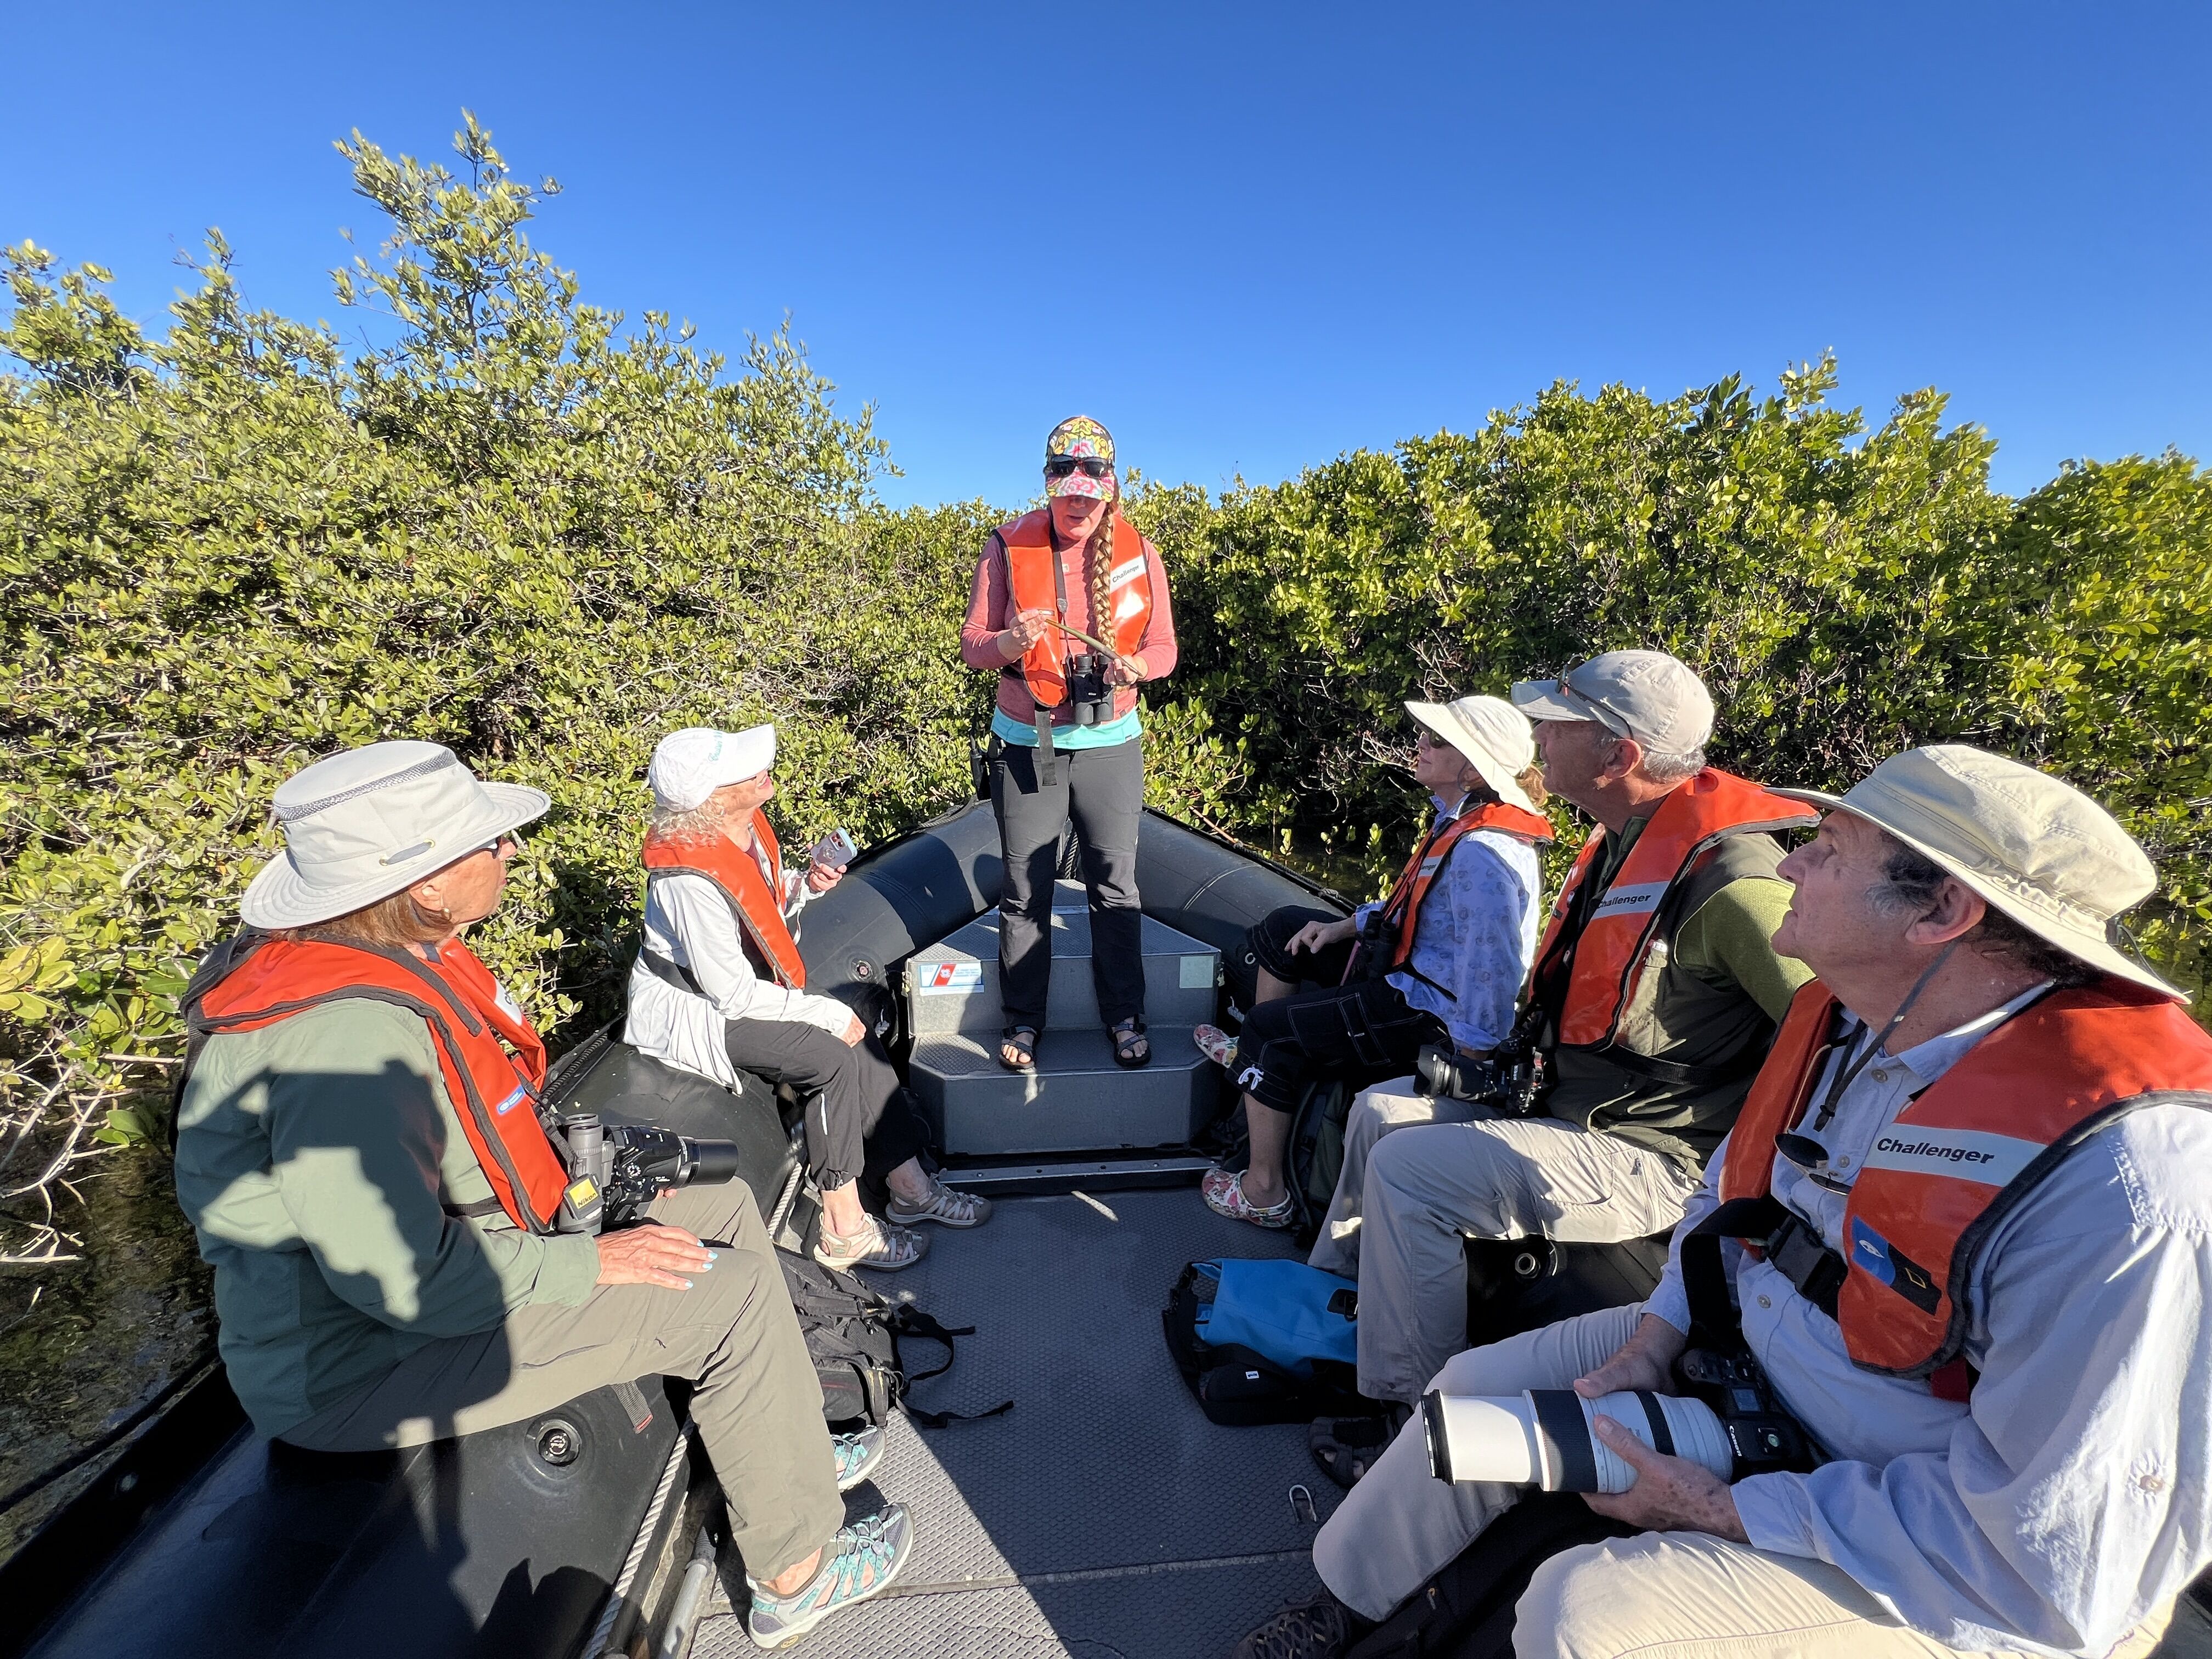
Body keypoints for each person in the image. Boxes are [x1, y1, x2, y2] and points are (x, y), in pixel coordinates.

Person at [1239, 743, 2212, 1659]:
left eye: (1828, 852)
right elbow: (1731, 1194)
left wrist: (1725, 1510)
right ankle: (1351, 1605)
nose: (1790, 867)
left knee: (1583, 1615)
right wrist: (1655, 1336)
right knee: (1470, 1386)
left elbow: (2057, 1562)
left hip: (1945, 1547)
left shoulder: (2127, 1186)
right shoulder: (1854, 1021)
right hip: (1757, 1359)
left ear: (1940, 912)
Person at [171, 741, 912, 1650]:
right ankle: (794, 1573)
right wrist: (589, 1261)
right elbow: (402, 1281)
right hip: (357, 1362)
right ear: (425, 884)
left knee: (717, 1205)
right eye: (488, 841)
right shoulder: (343, 1045)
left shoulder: (386, 962)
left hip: (431, 1286)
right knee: (721, 1295)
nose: (510, 850)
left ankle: (784, 1445)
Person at [1338, 650, 1816, 1418]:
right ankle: (1342, 1313)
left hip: (1654, 1155)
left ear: (1618, 756)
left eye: (1558, 725)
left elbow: (1834, 1033)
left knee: (1406, 1171)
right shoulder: (1623, 840)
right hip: (1565, 1107)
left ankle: (1408, 1414)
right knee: (1377, 1113)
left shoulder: (1735, 884)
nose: (1540, 738)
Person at [624, 724, 990, 1273]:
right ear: (714, 799)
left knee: (856, 1035)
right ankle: (844, 1229)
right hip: (698, 1010)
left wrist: (806, 885)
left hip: (749, 988)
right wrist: (823, 1012)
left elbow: (758, 909)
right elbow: (729, 994)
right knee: (829, 1057)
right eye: (743, 770)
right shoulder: (688, 882)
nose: (761, 770)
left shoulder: (739, 831)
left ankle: (910, 1187)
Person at [1194, 696, 1553, 1237]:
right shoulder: (1459, 821)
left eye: (1437, 740)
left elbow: (1493, 968)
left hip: (1427, 1011)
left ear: (1473, 770)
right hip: (1410, 970)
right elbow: (1416, 903)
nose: (1421, 744)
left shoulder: (1485, 852)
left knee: (1268, 1031)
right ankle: (1260, 1066)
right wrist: (1344, 927)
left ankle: (1265, 1191)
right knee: (1286, 930)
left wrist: (1473, 1059)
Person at [959, 415, 1178, 1073]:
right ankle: (1024, 1020)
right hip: (1028, 741)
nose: (1077, 504)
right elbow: (973, 647)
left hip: (1112, 742)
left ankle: (1125, 1016)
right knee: (1026, 889)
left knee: (1115, 885)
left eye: (1090, 493)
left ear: (1109, 490)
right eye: (1066, 490)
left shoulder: (1141, 553)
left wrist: (1139, 668)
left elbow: (1164, 647)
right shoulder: (1005, 546)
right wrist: (1009, 642)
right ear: (1049, 485)